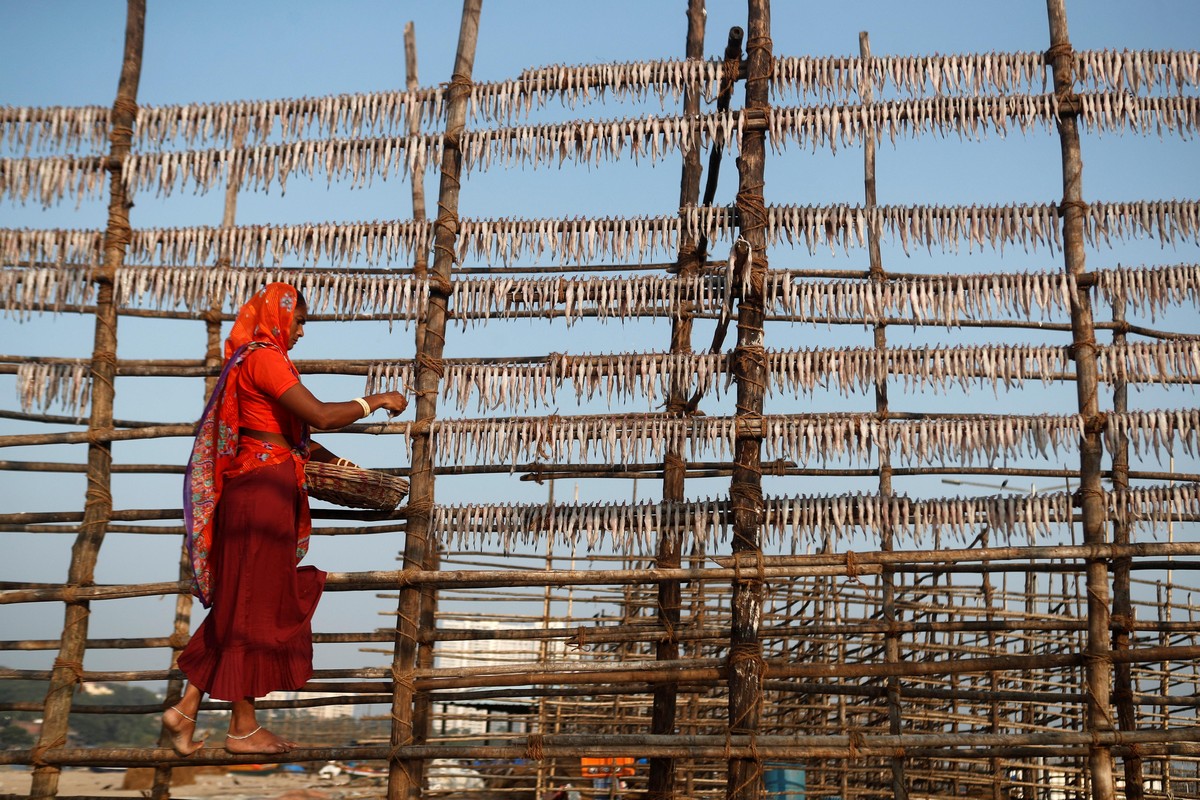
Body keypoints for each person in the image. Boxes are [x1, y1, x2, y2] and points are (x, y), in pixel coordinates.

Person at [163, 282, 408, 756]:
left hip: (260, 489)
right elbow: (317, 414)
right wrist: (374, 401)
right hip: (261, 495)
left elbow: (289, 435)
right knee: (258, 604)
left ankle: (186, 708)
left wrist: (336, 464)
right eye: (298, 321)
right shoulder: (264, 358)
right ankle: (243, 729)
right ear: (278, 317)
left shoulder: (257, 361)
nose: (300, 332)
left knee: (241, 601)